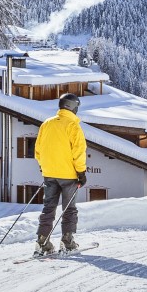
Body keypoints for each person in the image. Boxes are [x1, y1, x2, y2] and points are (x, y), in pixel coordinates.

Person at [33, 92, 89, 254]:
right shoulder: (73, 126)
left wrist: (44, 166)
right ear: (72, 107)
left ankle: (42, 242)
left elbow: (38, 150)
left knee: (48, 208)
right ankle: (67, 242)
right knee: (69, 209)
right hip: (69, 176)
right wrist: (81, 172)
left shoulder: (47, 124)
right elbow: (79, 152)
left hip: (49, 174)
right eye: (77, 106)